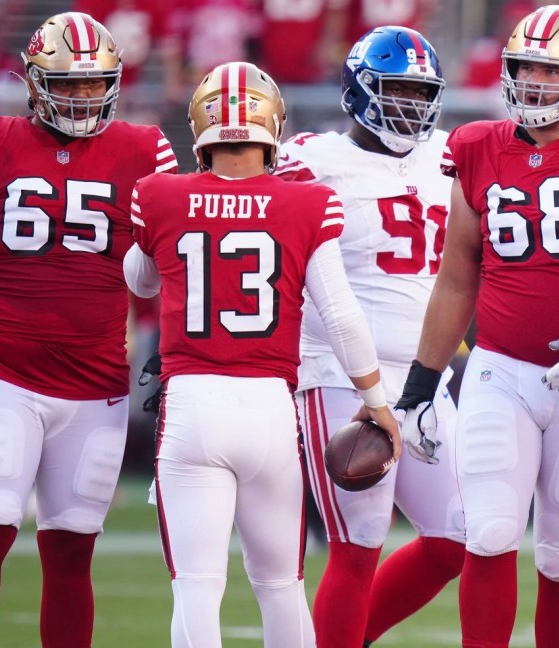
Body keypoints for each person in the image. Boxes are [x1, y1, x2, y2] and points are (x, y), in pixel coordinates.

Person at [396, 5, 559, 646]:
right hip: (500, 369)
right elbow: (458, 276)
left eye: (552, 70)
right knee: (487, 535)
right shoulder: (477, 146)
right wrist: (418, 389)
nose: (535, 82)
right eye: (525, 68)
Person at [122, 61, 401, 648]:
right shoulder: (308, 203)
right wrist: (376, 400)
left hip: (192, 406)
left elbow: (141, 282)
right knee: (281, 585)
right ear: (272, 126)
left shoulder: (160, 195)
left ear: (200, 127)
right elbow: (341, 314)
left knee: (197, 587)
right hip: (270, 408)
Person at [274, 26, 466, 648]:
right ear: (359, 91)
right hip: (340, 373)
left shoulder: (451, 155)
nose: (411, 106)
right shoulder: (310, 162)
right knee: (358, 541)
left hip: (424, 378)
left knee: (457, 538)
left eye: (421, 93)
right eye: (397, 90)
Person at [0, 12, 177, 646]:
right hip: (4, 374)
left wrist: (175, 350)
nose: (81, 96)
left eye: (93, 83)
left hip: (96, 385)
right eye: (67, 84)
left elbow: (176, 261)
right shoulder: (0, 140)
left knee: (72, 553)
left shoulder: (144, 148)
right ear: (34, 83)